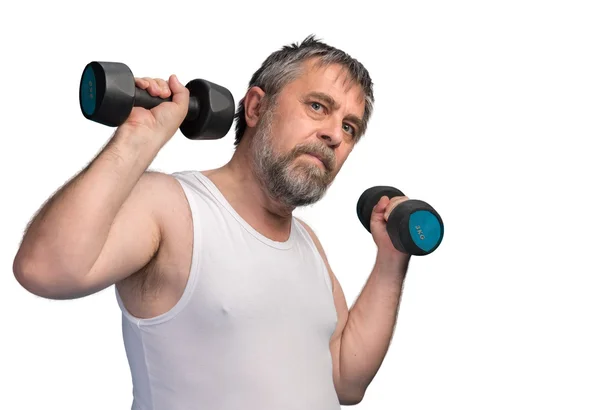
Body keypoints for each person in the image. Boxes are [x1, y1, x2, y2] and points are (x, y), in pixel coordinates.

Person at [13, 35, 412, 409]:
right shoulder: (172, 205)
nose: (334, 136)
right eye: (318, 107)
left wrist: (391, 259)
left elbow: (345, 379)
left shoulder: (308, 243)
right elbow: (43, 269)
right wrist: (139, 137)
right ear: (256, 107)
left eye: (349, 127)